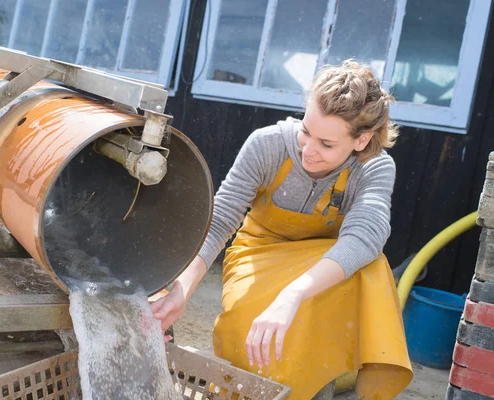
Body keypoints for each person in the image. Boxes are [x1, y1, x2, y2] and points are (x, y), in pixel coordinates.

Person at [151, 59, 413, 399]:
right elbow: (220, 221)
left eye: (327, 145)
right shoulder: (268, 144)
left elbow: (366, 237)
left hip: (321, 265)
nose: (309, 151)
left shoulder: (374, 167)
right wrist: (181, 291)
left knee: (371, 269)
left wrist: (292, 294)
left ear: (361, 141)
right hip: (257, 252)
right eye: (306, 131)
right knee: (248, 333)